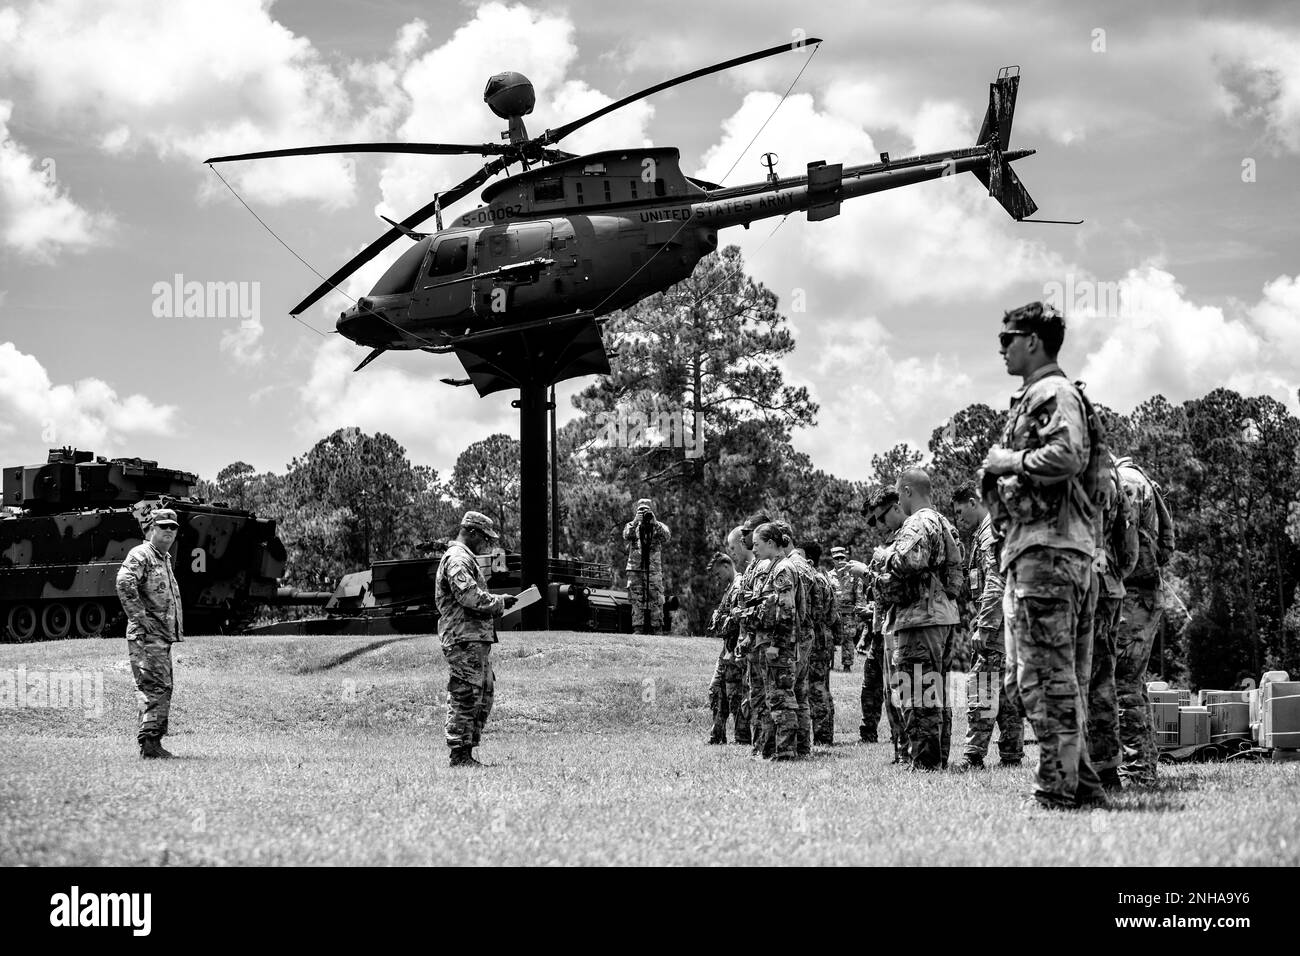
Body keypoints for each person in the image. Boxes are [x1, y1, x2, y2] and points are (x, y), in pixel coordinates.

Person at [981, 300, 1105, 810]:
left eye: (1007, 337)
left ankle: (1055, 791)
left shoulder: (1052, 392)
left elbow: (1068, 454)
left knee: (1043, 680)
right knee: (1050, 678)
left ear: (1033, 340)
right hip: (1048, 552)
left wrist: (1008, 460)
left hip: (1047, 554)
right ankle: (1084, 787)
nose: (1001, 346)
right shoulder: (1044, 393)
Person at [879, 469, 963, 771]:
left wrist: (884, 556)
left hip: (920, 618)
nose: (899, 503)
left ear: (907, 492)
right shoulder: (945, 524)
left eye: (899, 494)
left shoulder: (918, 522)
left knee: (918, 692)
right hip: (944, 616)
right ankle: (936, 759)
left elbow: (908, 561)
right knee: (936, 692)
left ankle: (925, 763)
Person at [435, 511, 517, 767]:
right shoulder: (457, 558)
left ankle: (467, 751)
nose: (486, 543)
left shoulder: (466, 558)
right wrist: (499, 602)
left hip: (473, 638)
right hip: (462, 637)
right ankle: (459, 755)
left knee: (482, 693)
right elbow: (468, 596)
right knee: (466, 694)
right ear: (470, 532)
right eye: (483, 537)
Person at [1114, 453, 1176, 786]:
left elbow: (1125, 548)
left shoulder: (1127, 483)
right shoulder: (1141, 481)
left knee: (1122, 682)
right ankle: (1144, 764)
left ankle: (1137, 772)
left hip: (1133, 595)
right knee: (1133, 683)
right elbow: (1167, 548)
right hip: (1139, 593)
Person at [951, 487, 1024, 770]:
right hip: (1005, 623)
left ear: (974, 502)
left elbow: (995, 581)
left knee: (981, 686)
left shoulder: (989, 532)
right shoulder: (989, 530)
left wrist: (984, 626)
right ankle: (1011, 754)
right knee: (1005, 692)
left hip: (997, 625)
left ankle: (973, 756)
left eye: (960, 512)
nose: (958, 519)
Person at [116, 506, 183, 759]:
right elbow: (124, 581)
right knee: (152, 686)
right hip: (147, 636)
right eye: (163, 526)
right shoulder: (142, 554)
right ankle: (149, 746)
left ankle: (154, 742)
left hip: (160, 636)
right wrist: (139, 616)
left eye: (173, 527)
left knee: (162, 686)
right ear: (151, 528)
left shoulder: (162, 558)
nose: (169, 531)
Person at [1089, 454, 1138, 790]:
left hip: (1079, 591)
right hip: (1109, 589)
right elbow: (1129, 548)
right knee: (1103, 680)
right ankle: (1106, 770)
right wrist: (1114, 576)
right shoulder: (1115, 481)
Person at [743, 522, 800, 760]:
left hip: (779, 645)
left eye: (756, 544)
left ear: (770, 543)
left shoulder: (783, 569)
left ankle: (786, 750)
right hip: (764, 642)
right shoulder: (771, 567)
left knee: (781, 697)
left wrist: (777, 644)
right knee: (768, 698)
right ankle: (767, 749)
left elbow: (787, 610)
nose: (753, 549)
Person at [861, 489, 906, 755]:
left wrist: (867, 573)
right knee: (878, 686)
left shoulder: (899, 539)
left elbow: (893, 585)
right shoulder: (888, 541)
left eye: (876, 519)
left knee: (899, 688)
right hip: (881, 626)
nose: (876, 525)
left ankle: (902, 742)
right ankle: (895, 742)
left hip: (899, 625)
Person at [734, 512, 773, 754]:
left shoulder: (767, 565)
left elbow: (763, 604)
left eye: (748, 533)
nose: (744, 537)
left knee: (763, 697)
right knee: (755, 696)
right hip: (752, 639)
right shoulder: (756, 565)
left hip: (763, 640)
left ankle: (766, 747)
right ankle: (760, 745)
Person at [795, 540, 840, 748]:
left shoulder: (811, 578)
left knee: (815, 688)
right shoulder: (824, 579)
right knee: (822, 687)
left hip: (815, 639)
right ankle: (825, 733)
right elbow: (833, 615)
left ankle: (822, 737)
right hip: (824, 637)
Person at [706, 535, 750, 745]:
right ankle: (717, 735)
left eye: (718, 573)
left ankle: (742, 738)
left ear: (727, 565)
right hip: (725, 650)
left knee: (735, 697)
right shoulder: (728, 589)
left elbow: (739, 617)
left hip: (735, 649)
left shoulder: (740, 585)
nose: (718, 578)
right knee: (716, 692)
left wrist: (722, 619)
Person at [623, 498, 671, 634]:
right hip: (635, 569)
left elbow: (667, 536)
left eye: (646, 509)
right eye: (641, 509)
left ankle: (657, 628)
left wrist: (655, 523)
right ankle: (638, 628)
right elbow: (626, 535)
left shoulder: (658, 525)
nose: (643, 512)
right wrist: (635, 521)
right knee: (636, 598)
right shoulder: (632, 525)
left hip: (653, 570)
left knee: (655, 597)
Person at [828, 546, 861, 672]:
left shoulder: (853, 574)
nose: (840, 560)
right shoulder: (829, 575)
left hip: (848, 611)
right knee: (830, 637)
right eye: (836, 558)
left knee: (848, 638)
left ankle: (847, 665)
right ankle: (829, 664)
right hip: (833, 612)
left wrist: (858, 610)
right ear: (833, 560)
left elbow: (858, 594)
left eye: (842, 557)